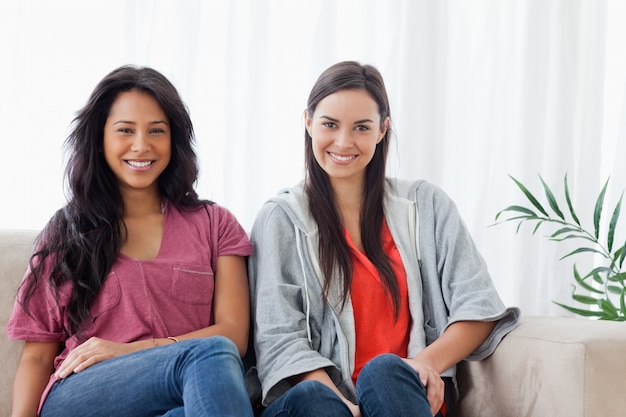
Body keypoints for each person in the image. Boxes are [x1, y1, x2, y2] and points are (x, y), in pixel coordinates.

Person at [247, 61, 521, 417]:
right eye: (330, 124)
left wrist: (422, 365)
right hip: (323, 405)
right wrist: (346, 407)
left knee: (388, 371)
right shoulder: (280, 219)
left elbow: (479, 306)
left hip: (399, 397)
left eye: (361, 127)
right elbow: (280, 339)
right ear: (308, 122)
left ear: (382, 130)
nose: (343, 142)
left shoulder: (426, 205)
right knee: (316, 400)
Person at [7, 65, 255, 417]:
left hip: (181, 396)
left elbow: (234, 333)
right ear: (100, 139)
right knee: (211, 351)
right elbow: (37, 355)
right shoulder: (66, 231)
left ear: (175, 140)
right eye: (125, 130)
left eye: (157, 131)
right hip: (83, 391)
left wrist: (127, 350)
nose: (142, 146)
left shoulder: (215, 224)